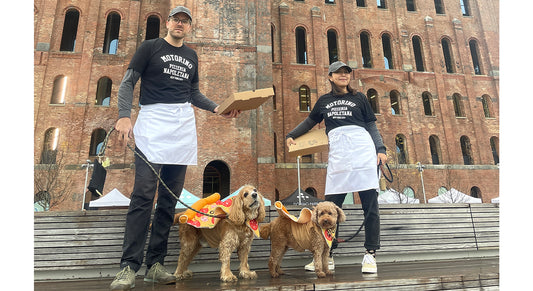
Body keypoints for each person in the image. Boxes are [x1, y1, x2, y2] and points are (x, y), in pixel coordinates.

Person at [110, 6, 240, 290]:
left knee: (169, 200)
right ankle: (128, 267)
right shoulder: (150, 47)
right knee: (143, 195)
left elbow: (193, 93)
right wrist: (123, 115)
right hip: (153, 122)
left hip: (181, 126)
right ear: (167, 23)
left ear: (189, 27)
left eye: (185, 21)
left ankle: (155, 264)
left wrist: (217, 109)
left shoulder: (191, 56)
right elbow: (128, 82)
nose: (180, 24)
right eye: (176, 20)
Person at [286, 61, 387, 274]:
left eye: (346, 72)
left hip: (362, 151)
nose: (343, 75)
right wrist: (291, 135)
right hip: (340, 155)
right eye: (339, 72)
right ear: (330, 76)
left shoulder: (359, 98)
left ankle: (370, 254)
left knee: (370, 206)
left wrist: (381, 148)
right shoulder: (324, 101)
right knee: (330, 206)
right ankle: (327, 255)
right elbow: (310, 121)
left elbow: (371, 125)